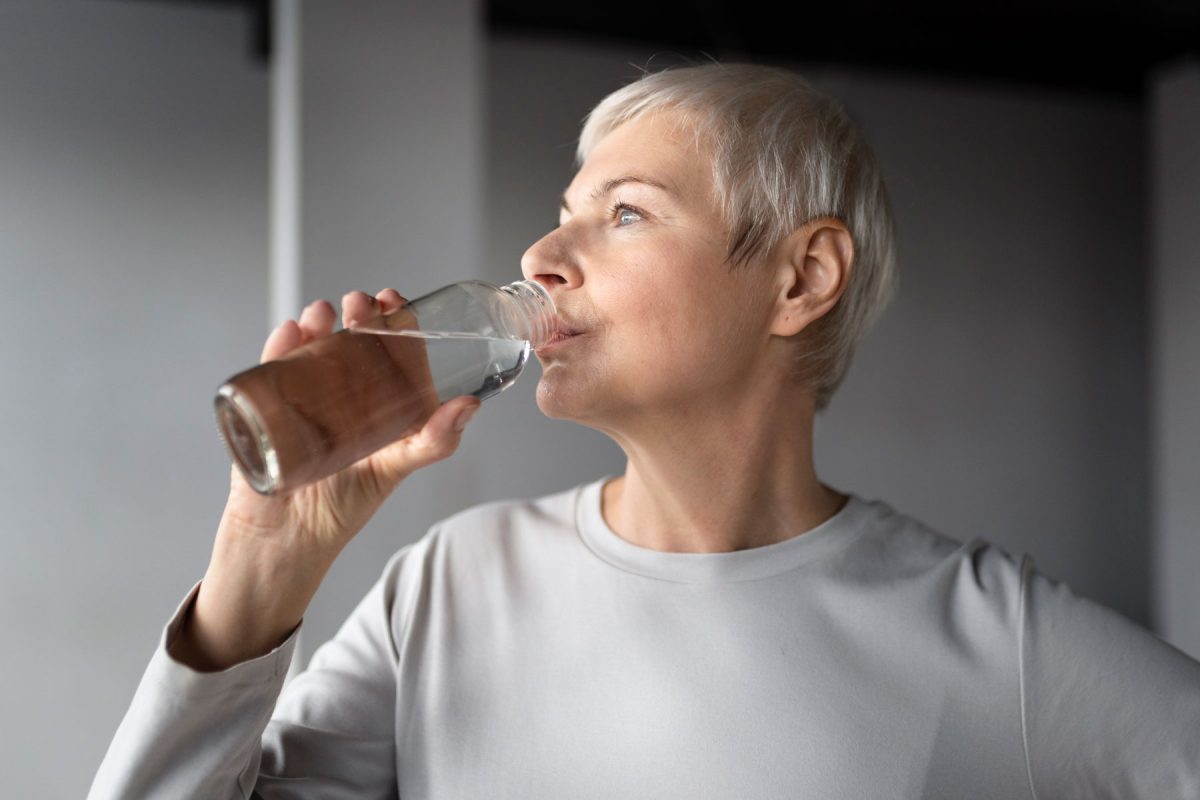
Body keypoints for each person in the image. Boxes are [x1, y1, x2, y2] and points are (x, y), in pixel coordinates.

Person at [91, 63, 1200, 799]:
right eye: (563, 211)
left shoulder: (993, 636)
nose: (538, 255)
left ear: (800, 278)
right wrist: (263, 565)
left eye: (623, 213)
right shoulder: (449, 586)